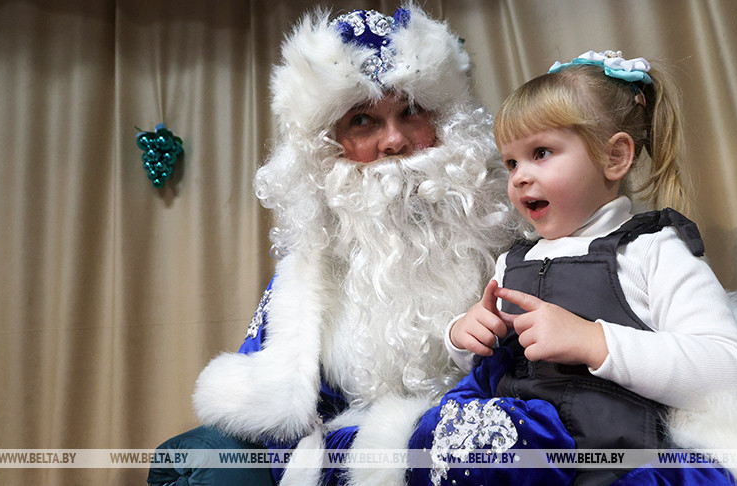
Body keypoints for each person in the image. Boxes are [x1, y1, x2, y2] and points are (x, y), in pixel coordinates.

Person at [405, 50, 737, 486]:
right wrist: (465, 336)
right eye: (511, 162)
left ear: (614, 157)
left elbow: (731, 372)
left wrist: (593, 341)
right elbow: (487, 365)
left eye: (541, 152)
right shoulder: (512, 260)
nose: (519, 176)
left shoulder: (653, 250)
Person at [149, 5, 520, 486]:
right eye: (365, 121)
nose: (395, 141)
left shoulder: (504, 233)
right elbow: (283, 408)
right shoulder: (313, 267)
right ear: (330, 145)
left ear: (444, 120)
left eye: (411, 112)